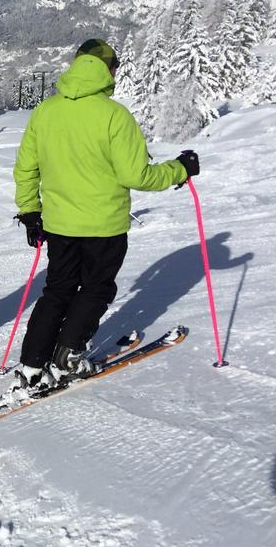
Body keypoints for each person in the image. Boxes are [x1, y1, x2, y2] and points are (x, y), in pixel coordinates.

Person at [12, 38, 199, 391]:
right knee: (96, 288)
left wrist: (30, 212)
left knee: (58, 290)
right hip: (104, 226)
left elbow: (26, 169)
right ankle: (67, 357)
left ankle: (32, 364)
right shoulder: (114, 115)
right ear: (107, 70)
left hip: (60, 225)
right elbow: (136, 176)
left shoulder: (46, 112)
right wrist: (180, 169)